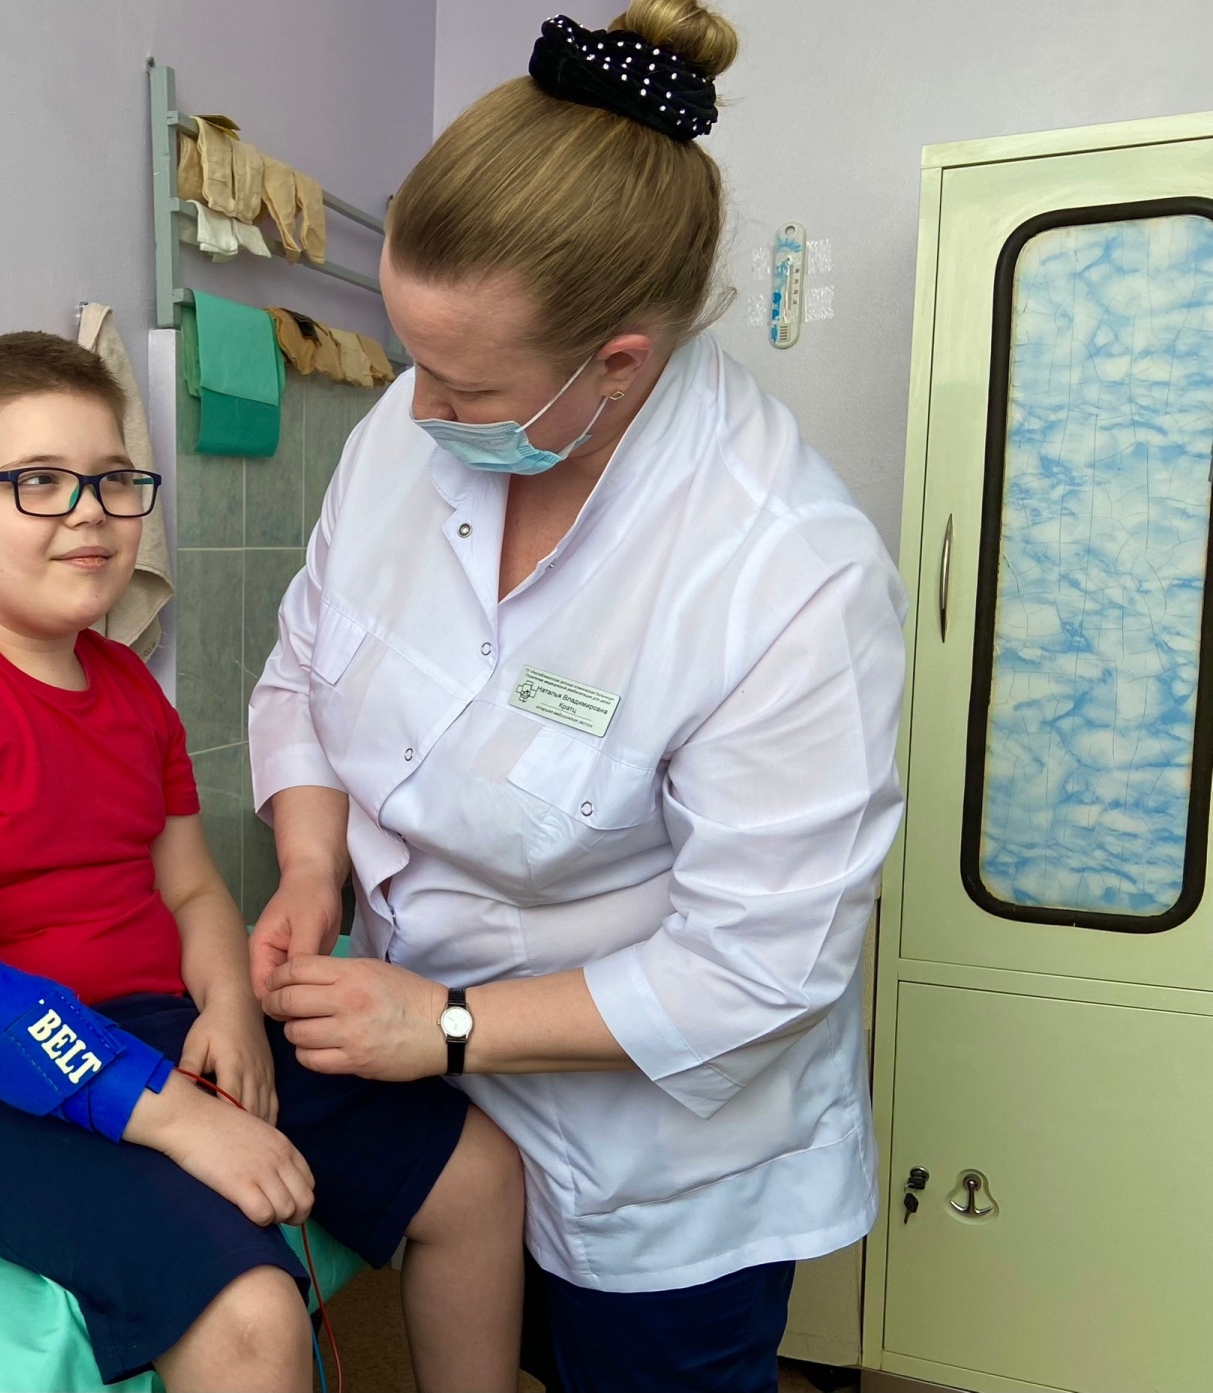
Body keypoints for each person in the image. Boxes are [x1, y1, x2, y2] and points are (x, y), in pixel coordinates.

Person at [248, 5, 906, 1392]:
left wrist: (449, 1025)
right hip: (443, 1101)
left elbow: (760, 967)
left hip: (656, 1163)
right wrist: (310, 865)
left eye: (464, 383)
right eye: (412, 361)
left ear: (621, 359)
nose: (417, 412)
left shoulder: (784, 572)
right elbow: (308, 661)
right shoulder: (410, 430)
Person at [0, 332, 523, 1393]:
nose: (89, 511)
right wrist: (179, 1118)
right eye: (39, 482)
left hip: (145, 1022)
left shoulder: (130, 689)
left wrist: (229, 1009)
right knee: (249, 1310)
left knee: (477, 1172)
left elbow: (192, 889)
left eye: (113, 479)